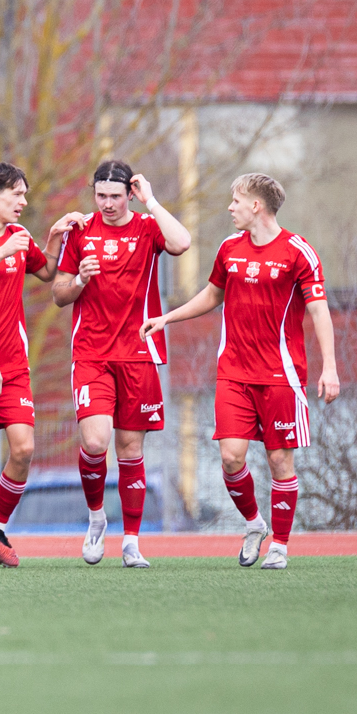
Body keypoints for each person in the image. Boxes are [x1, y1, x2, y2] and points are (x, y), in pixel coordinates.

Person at [141, 172, 339, 570]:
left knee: (281, 463)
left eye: (235, 201)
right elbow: (213, 294)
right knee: (231, 458)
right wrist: (168, 317)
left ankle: (280, 545)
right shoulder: (230, 248)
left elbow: (319, 310)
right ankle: (254, 524)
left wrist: (329, 368)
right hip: (233, 372)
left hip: (281, 375)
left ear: (256, 206)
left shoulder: (299, 252)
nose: (230, 207)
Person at [52, 159, 191, 568]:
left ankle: (131, 541)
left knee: (130, 448)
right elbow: (59, 294)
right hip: (92, 353)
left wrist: (152, 201)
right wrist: (79, 279)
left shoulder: (148, 227)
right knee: (95, 442)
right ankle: (97, 518)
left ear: (129, 194)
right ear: (93, 194)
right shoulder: (80, 231)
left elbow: (182, 243)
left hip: (139, 352)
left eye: (116, 196)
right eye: (101, 196)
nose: (108, 204)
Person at [0, 162, 70, 567]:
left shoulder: (20, 235)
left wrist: (54, 237)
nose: (23, 201)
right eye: (17, 194)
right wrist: (0, 252)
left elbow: (46, 271)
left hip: (12, 362)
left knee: (23, 448)